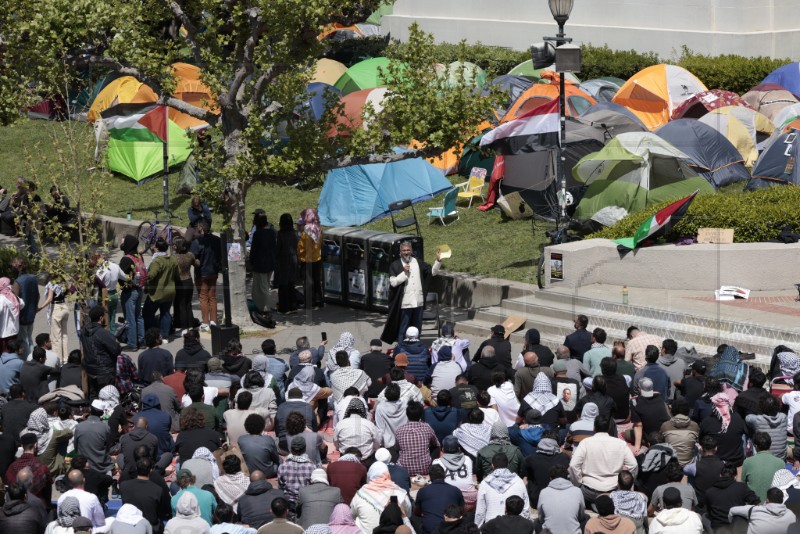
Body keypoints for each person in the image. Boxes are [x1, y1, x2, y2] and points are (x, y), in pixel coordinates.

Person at [381, 240, 441, 344]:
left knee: (417, 329)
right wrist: (404, 273)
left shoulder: (417, 262)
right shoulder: (395, 265)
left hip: (418, 302)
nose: (406, 252)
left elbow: (432, 272)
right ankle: (401, 348)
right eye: (404, 250)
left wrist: (438, 260)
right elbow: (393, 283)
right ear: (400, 251)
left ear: (411, 250)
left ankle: (416, 348)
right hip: (405, 304)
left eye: (408, 250)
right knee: (403, 329)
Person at [569, 415, 638, 506]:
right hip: (613, 491)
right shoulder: (620, 444)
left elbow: (573, 465)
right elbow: (633, 465)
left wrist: (578, 483)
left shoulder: (585, 442)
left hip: (589, 491)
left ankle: (596, 504)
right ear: (609, 428)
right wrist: (625, 486)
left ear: (594, 428)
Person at [350, 462, 412, 533]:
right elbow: (408, 513)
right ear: (388, 474)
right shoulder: (399, 492)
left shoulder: (361, 494)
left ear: (369, 475)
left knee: (357, 519)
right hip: (395, 531)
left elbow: (352, 515)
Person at [475, 453, 530, 527]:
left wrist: (478, 527)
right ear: (508, 464)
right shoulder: (519, 481)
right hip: (515, 526)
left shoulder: (484, 483)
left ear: (492, 465)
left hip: (492, 526)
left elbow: (480, 511)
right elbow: (526, 508)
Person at [120, 458, 171, 534]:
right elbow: (163, 512)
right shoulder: (158, 490)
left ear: (136, 469)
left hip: (129, 525)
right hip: (151, 528)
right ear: (150, 470)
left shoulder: (124, 486)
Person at [705, 463, 760, 531]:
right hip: (737, 528)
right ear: (735, 476)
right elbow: (755, 501)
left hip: (718, 528)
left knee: (704, 516)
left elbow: (709, 512)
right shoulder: (741, 487)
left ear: (720, 475)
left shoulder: (709, 492)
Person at [414, 464, 464, 534]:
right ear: (444, 475)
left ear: (430, 477)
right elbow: (462, 510)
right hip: (451, 528)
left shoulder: (423, 491)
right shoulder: (456, 490)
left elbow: (417, 512)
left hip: (430, 529)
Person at [189, 220, 221, 330]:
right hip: (214, 272)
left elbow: (192, 257)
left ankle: (205, 322)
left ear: (201, 229)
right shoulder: (217, 240)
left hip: (201, 273)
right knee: (212, 297)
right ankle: (213, 320)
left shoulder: (197, 242)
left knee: (203, 297)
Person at [395, 400, 440, 476]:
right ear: (421, 414)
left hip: (405, 470)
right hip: (425, 469)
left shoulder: (399, 430)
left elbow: (398, 448)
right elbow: (437, 444)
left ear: (407, 414)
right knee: (436, 447)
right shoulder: (427, 427)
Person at [118, 234, 147, 350]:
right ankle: (141, 340)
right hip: (139, 290)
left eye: (124, 242)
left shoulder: (126, 259)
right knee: (138, 317)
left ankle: (132, 343)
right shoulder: (139, 256)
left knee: (130, 319)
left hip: (129, 292)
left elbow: (120, 275)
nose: (123, 244)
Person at [729, 487, 797, 534]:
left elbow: (732, 510)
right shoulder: (791, 515)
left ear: (767, 500)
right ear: (782, 500)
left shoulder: (754, 510)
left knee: (738, 517)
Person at [630, 377, 671, 454]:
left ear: (639, 389)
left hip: (650, 436)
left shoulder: (634, 402)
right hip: (664, 434)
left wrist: (637, 446)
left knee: (628, 434)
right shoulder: (660, 398)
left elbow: (638, 425)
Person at [743, 431, 786, 501]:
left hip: (753, 505)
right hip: (773, 505)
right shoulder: (781, 463)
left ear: (755, 446)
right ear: (770, 444)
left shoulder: (747, 462)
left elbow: (742, 483)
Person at [74, 401, 114, 473]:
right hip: (101, 467)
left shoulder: (79, 426)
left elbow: (76, 447)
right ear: (102, 413)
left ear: (90, 409)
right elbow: (108, 448)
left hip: (83, 466)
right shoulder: (105, 427)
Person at [277, 437, 315, 510]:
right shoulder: (312, 467)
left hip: (288, 504)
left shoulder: (282, 467)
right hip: (305, 503)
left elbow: (280, 487)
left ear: (291, 449)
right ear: (304, 449)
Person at [249, 212, 276, 314]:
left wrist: (251, 261)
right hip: (270, 263)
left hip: (260, 264)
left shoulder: (258, 234)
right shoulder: (272, 232)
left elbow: (254, 250)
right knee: (266, 286)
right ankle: (263, 306)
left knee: (261, 288)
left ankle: (263, 307)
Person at [746, 394, 788, 460]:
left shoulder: (758, 419)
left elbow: (747, 418)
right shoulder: (784, 417)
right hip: (781, 457)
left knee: (751, 435)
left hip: (762, 458)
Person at [297, 208, 323, 310]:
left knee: (308, 282)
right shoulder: (319, 228)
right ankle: (319, 300)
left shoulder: (306, 231)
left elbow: (302, 246)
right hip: (317, 258)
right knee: (317, 281)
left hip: (307, 259)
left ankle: (309, 303)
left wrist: (299, 255)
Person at [12, 257, 38, 354]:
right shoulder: (33, 278)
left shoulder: (18, 282)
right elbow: (38, 295)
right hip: (31, 313)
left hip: (22, 315)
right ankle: (32, 357)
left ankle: (27, 359)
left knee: (24, 340)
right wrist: (35, 308)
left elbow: (14, 300)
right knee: (29, 338)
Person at [274, 213, 298, 315]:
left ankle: (284, 307)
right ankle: (293, 305)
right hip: (293, 259)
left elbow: (278, 248)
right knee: (291, 283)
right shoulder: (294, 232)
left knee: (283, 284)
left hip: (283, 260)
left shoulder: (280, 234)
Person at [171, 236, 196, 334]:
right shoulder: (190, 255)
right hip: (189, 281)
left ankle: (184, 327)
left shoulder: (174, 257)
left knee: (181, 305)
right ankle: (190, 324)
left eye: (174, 244)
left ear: (178, 246)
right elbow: (197, 264)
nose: (173, 246)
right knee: (188, 304)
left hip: (179, 282)